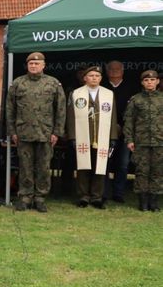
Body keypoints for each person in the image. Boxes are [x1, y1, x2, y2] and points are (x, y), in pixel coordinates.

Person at [7, 52, 65, 212]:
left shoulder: (53, 84)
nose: (34, 66)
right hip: (23, 132)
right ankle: (25, 197)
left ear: (43, 65)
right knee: (25, 166)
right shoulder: (18, 83)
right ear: (27, 65)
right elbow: (10, 109)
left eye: (37, 63)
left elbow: (60, 110)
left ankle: (40, 198)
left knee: (44, 167)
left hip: (45, 133)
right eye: (31, 63)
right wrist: (12, 131)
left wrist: (57, 132)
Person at [67, 66, 117, 208]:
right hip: (83, 135)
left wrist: (113, 137)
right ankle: (83, 196)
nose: (94, 78)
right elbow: (70, 117)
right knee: (83, 167)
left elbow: (113, 117)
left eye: (97, 75)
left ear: (101, 78)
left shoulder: (109, 94)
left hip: (102, 136)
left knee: (99, 167)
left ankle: (97, 197)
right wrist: (72, 136)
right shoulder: (76, 94)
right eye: (91, 75)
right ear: (85, 78)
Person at [124, 69, 163, 211]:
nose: (150, 82)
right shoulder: (136, 99)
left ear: (157, 81)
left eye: (152, 80)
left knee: (158, 172)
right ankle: (143, 202)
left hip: (160, 142)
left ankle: (154, 202)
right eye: (146, 80)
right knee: (142, 171)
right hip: (141, 142)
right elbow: (129, 121)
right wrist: (129, 139)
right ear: (142, 83)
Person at [102, 60, 135, 203]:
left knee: (123, 164)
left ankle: (118, 193)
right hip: (104, 132)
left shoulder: (131, 88)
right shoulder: (102, 87)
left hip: (125, 134)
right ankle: (103, 193)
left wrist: (123, 127)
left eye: (117, 69)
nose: (114, 71)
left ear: (122, 71)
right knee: (105, 163)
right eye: (111, 69)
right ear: (107, 71)